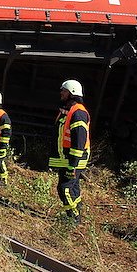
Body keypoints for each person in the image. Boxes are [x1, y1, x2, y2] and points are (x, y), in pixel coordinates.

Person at [48, 79, 91, 224]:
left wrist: (72, 165)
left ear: (72, 93)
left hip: (73, 160)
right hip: (67, 158)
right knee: (73, 186)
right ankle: (77, 209)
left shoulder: (78, 113)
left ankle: (73, 216)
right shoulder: (68, 111)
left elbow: (79, 142)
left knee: (64, 188)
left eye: (64, 91)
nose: (61, 93)